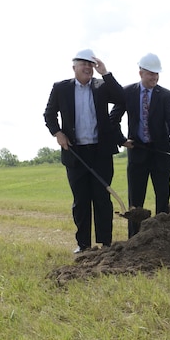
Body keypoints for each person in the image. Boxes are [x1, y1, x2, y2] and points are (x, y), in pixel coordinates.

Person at [44, 49, 125, 253]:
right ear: (74, 68)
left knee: (102, 198)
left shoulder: (101, 86)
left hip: (100, 152)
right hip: (75, 152)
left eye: (91, 64)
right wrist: (58, 133)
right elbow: (49, 114)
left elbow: (122, 98)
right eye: (83, 64)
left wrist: (105, 73)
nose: (88, 68)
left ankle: (105, 243)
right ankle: (83, 245)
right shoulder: (61, 88)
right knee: (81, 200)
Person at [109, 53, 170, 237]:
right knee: (135, 200)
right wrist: (121, 140)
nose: (154, 77)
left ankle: (162, 237)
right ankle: (135, 239)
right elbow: (113, 119)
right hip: (138, 153)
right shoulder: (127, 92)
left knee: (163, 197)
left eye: (157, 74)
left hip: (161, 152)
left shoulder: (166, 95)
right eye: (151, 73)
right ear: (141, 73)